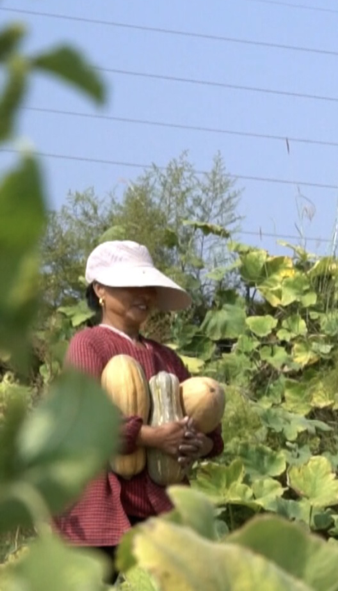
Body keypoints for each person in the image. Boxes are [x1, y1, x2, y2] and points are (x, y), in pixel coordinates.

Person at [52, 240, 224, 584]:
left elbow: (211, 436)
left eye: (149, 286)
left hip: (161, 514)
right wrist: (153, 437)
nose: (144, 294)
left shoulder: (168, 359)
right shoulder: (88, 344)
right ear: (100, 289)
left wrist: (196, 443)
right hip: (97, 513)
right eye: (131, 284)